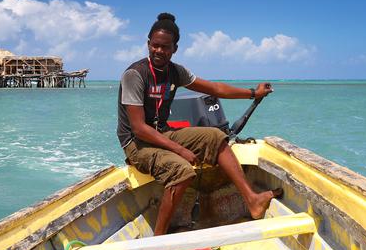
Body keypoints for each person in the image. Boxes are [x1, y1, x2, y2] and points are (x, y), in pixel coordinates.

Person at [117, 12, 281, 235]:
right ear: (148, 44)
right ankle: (157, 239)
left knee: (215, 136)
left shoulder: (176, 72)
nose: (159, 51)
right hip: (136, 143)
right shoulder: (135, 75)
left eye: (165, 47)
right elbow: (138, 127)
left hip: (160, 133)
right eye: (155, 45)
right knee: (182, 171)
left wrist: (253, 92)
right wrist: (180, 149)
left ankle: (252, 199)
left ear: (175, 48)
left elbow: (215, 89)